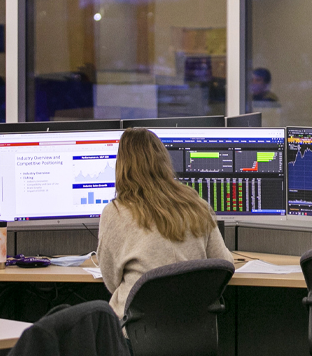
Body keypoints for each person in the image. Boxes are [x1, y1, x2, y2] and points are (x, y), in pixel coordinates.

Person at [96, 128, 233, 318]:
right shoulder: (196, 205)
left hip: (137, 331)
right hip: (195, 327)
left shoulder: (116, 212)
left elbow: (111, 281)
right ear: (163, 162)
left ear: (122, 167)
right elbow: (224, 264)